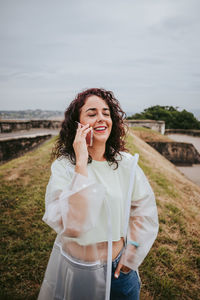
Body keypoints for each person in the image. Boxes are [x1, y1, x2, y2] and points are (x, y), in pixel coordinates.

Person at [38, 88, 159, 300]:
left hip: (120, 274)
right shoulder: (64, 167)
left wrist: (131, 255)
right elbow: (73, 225)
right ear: (77, 124)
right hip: (80, 272)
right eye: (92, 114)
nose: (101, 119)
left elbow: (143, 214)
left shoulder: (127, 165)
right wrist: (81, 164)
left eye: (106, 113)